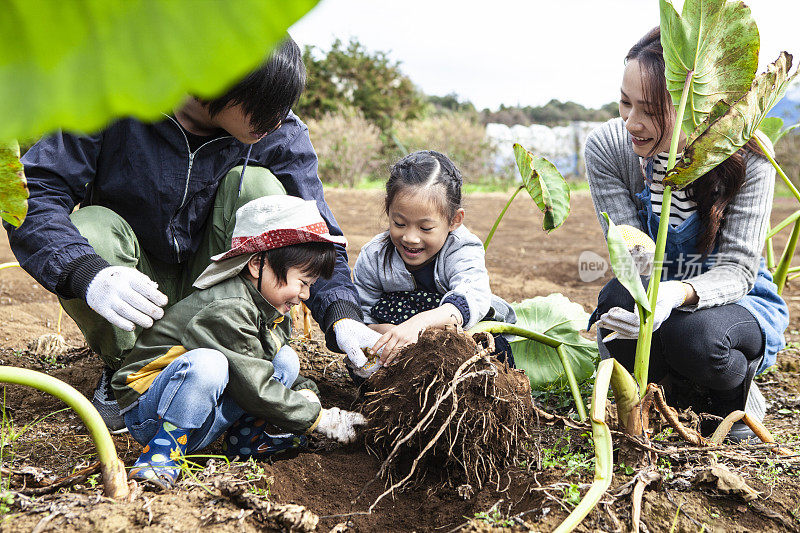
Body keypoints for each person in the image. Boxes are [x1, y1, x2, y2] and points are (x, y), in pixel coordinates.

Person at [4, 36, 382, 431]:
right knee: (91, 229)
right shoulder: (111, 97)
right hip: (136, 284)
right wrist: (88, 273)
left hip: (220, 283)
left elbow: (316, 231)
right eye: (265, 104)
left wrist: (342, 315)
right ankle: (131, 377)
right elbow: (36, 193)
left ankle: (250, 360)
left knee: (260, 188)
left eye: (282, 107)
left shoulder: (276, 131)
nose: (276, 120)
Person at [586, 27, 789, 441]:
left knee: (697, 338)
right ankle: (666, 396)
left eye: (651, 111)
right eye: (625, 103)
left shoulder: (749, 154)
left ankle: (734, 401)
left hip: (735, 299)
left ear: (696, 106)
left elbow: (737, 270)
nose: (632, 123)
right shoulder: (608, 146)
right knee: (615, 303)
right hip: (655, 279)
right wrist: (650, 292)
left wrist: (676, 294)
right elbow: (631, 251)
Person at [112, 195, 367, 488]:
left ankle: (245, 441)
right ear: (258, 265)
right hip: (149, 408)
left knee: (284, 359)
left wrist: (304, 391)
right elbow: (254, 385)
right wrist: (319, 418)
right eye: (303, 282)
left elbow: (260, 363)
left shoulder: (267, 306)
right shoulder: (228, 308)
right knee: (209, 364)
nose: (306, 295)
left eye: (310, 286)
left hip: (193, 401)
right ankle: (162, 453)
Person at [352, 150, 516, 376]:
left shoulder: (463, 247)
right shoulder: (374, 256)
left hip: (456, 339)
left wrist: (418, 327)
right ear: (388, 212)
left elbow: (473, 296)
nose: (410, 237)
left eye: (425, 228)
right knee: (361, 363)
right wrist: (390, 335)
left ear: (454, 220)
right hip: (393, 346)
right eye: (399, 223)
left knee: (496, 353)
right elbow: (361, 314)